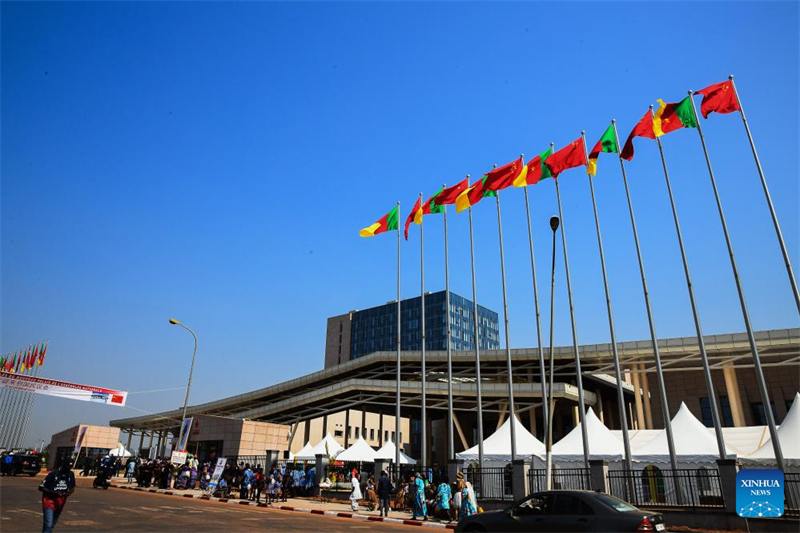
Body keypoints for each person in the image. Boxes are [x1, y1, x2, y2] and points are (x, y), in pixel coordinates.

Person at [39, 461, 76, 533]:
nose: (67, 470)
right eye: (66, 468)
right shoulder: (53, 474)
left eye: (69, 468)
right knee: (48, 524)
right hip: (49, 501)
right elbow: (41, 487)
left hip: (60, 502)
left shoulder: (70, 474)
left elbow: (72, 487)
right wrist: (54, 492)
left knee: (51, 524)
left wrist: (67, 493)